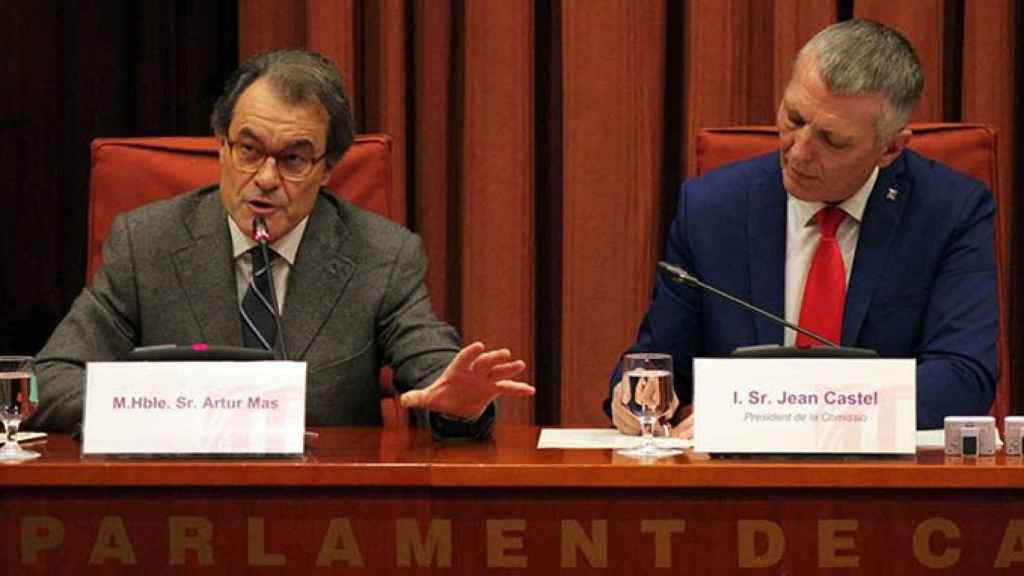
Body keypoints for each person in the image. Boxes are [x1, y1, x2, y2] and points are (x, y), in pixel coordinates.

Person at [29, 49, 533, 437]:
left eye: (293, 159)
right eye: (249, 150)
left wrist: (462, 404)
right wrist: (171, 405)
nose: (266, 178)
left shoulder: (381, 255)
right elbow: (50, 383)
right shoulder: (147, 244)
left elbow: (435, 374)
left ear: (327, 168)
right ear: (221, 146)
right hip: (175, 505)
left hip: (324, 517)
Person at [608, 19, 997, 435]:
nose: (799, 151)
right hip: (733, 489)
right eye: (794, 118)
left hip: (882, 488)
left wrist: (775, 415)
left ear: (890, 148)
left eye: (832, 140)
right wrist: (633, 394)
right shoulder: (710, 208)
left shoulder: (950, 212)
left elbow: (961, 378)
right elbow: (660, 361)